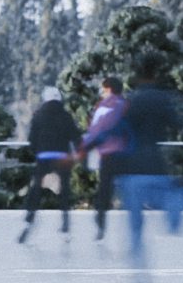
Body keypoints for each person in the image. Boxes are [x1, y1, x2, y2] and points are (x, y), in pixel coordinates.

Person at [113, 55, 183, 283]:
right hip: (156, 167)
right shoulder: (163, 100)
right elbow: (182, 126)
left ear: (138, 76)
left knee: (135, 231)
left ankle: (140, 281)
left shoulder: (131, 102)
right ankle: (182, 202)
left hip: (132, 172)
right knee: (169, 206)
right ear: (155, 74)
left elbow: (119, 133)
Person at [17, 89, 81, 241]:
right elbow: (75, 136)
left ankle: (30, 219)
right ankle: (65, 224)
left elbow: (32, 140)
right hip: (62, 157)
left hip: (44, 156)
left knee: (36, 189)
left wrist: (37, 151)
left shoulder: (38, 116)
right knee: (64, 190)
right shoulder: (66, 116)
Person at [81, 75, 127, 240]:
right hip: (124, 154)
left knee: (105, 188)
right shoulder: (125, 105)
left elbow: (94, 131)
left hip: (106, 154)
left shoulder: (102, 107)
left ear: (108, 89)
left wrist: (86, 147)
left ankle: (101, 221)